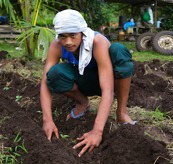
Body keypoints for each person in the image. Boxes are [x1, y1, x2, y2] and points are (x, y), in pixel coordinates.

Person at [40, 9, 136, 157]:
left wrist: (97, 131)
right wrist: (47, 120)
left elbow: (108, 89)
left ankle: (121, 112)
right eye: (63, 36)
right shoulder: (57, 45)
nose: (68, 42)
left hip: (109, 81)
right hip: (84, 80)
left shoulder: (97, 41)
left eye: (73, 35)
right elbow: (45, 84)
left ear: (82, 32)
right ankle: (82, 103)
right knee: (53, 74)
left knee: (119, 50)